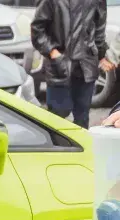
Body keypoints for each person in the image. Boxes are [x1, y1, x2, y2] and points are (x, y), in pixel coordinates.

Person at [32, 0, 115, 129]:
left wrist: (101, 55)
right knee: (58, 117)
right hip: (59, 66)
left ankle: (82, 142)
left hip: (86, 65)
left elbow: (99, 28)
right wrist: (53, 52)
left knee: (82, 118)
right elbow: (37, 30)